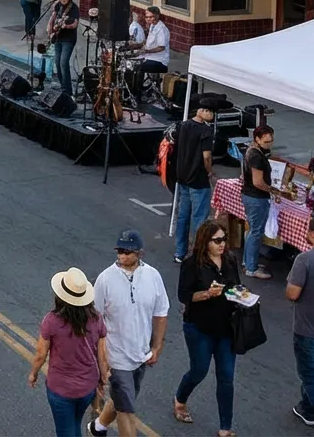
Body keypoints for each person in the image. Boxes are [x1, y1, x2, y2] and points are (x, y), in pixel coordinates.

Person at [89, 229, 170, 437]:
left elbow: (161, 314)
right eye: (120, 251)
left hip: (141, 354)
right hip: (116, 358)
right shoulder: (105, 279)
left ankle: (97, 427)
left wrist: (157, 347)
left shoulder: (153, 276)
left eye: (127, 251)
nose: (122, 255)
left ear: (139, 253)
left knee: (120, 400)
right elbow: (95, 322)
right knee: (126, 410)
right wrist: (100, 359)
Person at [174, 220, 240, 437]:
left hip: (226, 329)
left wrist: (243, 296)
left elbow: (236, 287)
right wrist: (206, 294)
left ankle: (225, 428)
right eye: (217, 240)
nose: (222, 244)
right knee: (199, 371)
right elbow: (184, 295)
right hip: (199, 328)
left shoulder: (229, 260)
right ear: (206, 242)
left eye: (224, 239)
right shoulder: (192, 264)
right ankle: (180, 399)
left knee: (226, 377)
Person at [28, 267, 109, 437]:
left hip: (61, 390)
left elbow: (41, 354)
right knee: (75, 424)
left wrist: (33, 374)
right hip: (87, 388)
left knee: (66, 431)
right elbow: (102, 355)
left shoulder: (52, 321)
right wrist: (102, 379)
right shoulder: (96, 318)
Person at [287, 214, 314, 433]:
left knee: (311, 377)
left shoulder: (305, 260)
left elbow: (293, 293)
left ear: (313, 234)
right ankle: (307, 408)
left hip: (307, 329)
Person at [174, 97, 220, 264]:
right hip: (198, 180)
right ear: (204, 111)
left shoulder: (183, 126)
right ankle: (199, 255)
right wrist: (210, 172)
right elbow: (206, 157)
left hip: (183, 176)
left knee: (183, 217)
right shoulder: (206, 132)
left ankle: (179, 252)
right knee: (200, 219)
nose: (213, 116)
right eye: (212, 113)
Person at [241, 123, 277, 280]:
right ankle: (251, 267)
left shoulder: (251, 150)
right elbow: (258, 182)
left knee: (252, 231)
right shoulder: (256, 156)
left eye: (271, 141)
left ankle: (248, 261)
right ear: (257, 139)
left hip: (250, 196)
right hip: (256, 198)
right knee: (256, 232)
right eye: (266, 142)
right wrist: (273, 190)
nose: (269, 144)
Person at [47, 0, 80, 97]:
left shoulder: (74, 8)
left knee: (63, 63)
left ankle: (68, 90)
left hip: (69, 39)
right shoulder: (57, 5)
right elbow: (52, 18)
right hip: (58, 38)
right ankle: (62, 86)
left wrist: (66, 26)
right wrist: (50, 31)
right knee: (57, 62)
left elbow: (75, 24)